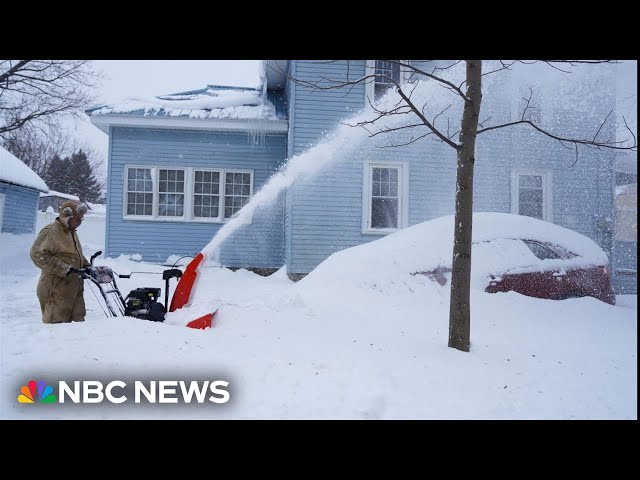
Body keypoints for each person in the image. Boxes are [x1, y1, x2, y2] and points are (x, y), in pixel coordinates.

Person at [30, 200, 91, 324]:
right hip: (55, 289)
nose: (80, 222)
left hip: (74, 289)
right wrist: (64, 268)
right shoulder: (51, 231)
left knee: (78, 326)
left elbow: (74, 255)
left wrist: (87, 266)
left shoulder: (71, 232)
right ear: (67, 216)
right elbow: (37, 254)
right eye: (78, 219)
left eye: (81, 219)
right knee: (57, 327)